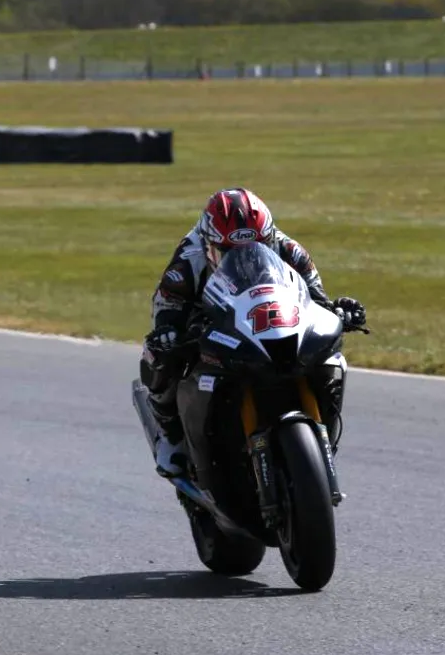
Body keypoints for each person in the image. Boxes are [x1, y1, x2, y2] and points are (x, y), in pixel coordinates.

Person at [139, 187, 366, 479]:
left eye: (259, 246)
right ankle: (170, 435)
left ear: (269, 238)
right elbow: (167, 306)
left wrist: (337, 310)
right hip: (211, 321)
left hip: (268, 316)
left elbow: (316, 297)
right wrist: (169, 332)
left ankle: (322, 432)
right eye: (228, 252)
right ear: (209, 246)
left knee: (329, 355)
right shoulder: (187, 260)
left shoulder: (289, 249)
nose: (244, 257)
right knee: (158, 354)